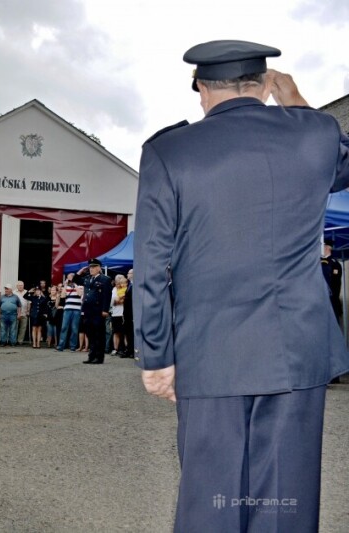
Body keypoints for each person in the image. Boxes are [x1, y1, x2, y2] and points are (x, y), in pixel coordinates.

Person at [134, 40, 349, 532]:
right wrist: (294, 100)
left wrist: (157, 357)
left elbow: (151, 265)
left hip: (211, 353)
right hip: (297, 350)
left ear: (201, 89)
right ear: (264, 83)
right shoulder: (314, 134)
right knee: (286, 505)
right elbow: (343, 164)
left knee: (211, 502)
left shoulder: (168, 151)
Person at [81, 259, 110, 364]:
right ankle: (91, 356)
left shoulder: (105, 279)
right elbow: (75, 279)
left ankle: (99, 357)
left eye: (93, 267)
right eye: (90, 267)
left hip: (98, 310)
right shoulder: (88, 279)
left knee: (99, 334)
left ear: (99, 268)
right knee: (90, 334)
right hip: (88, 311)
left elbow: (107, 296)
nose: (91, 269)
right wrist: (80, 271)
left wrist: (105, 309)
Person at [321, 238, 342, 324]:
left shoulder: (334, 263)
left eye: (322, 247)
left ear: (326, 248)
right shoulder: (318, 262)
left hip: (331, 301)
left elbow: (335, 284)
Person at [55, 282, 81, 352]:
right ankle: (60, 346)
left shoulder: (81, 287)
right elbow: (63, 296)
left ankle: (73, 347)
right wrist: (65, 285)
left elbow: (80, 294)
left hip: (77, 309)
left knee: (74, 328)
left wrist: (75, 285)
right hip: (67, 309)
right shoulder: (67, 287)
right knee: (64, 327)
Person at [109, 274, 128, 356]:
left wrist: (120, 300)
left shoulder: (126, 289)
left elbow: (125, 300)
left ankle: (125, 349)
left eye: (121, 280)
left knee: (125, 332)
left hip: (124, 313)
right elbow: (113, 301)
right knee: (116, 332)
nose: (119, 282)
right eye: (118, 280)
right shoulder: (114, 290)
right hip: (115, 314)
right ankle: (115, 349)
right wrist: (121, 300)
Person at [120, 269, 134, 359]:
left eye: (128, 273)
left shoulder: (134, 285)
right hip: (127, 313)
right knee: (128, 332)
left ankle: (132, 350)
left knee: (131, 333)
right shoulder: (130, 285)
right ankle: (129, 349)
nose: (127, 275)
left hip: (131, 312)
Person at [13, 281, 30, 345]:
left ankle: (20, 341)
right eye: (19, 285)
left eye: (22, 285)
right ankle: (14, 341)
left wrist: (28, 311)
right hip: (16, 313)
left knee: (23, 328)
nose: (20, 286)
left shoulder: (26, 292)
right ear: (17, 286)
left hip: (24, 312)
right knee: (15, 327)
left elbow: (29, 302)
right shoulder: (14, 292)